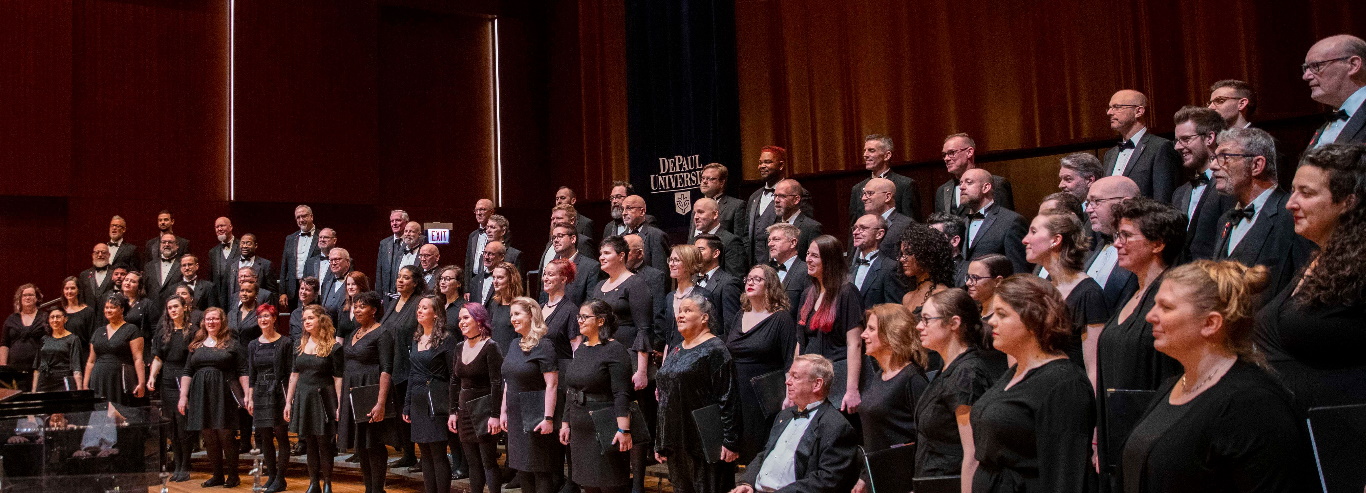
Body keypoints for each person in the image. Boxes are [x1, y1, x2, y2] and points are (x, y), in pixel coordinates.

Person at [1121, 261, 1317, 492]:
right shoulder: (1172, 386)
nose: (1150, 316)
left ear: (1211, 323)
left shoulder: (1252, 403)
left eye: (1166, 307)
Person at [1256, 143, 1366, 410]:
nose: (1290, 204)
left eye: (1305, 193)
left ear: (1347, 202)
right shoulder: (1318, 257)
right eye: (1293, 191)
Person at [972, 275, 1095, 492]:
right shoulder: (1014, 372)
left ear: (1033, 320)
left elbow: (1066, 476)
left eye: (1002, 314)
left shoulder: (1064, 384)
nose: (991, 321)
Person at [1096, 198, 1186, 482]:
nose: (1117, 244)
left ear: (1157, 244)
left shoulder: (1173, 295)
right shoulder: (1131, 291)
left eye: (1126, 236)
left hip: (1153, 434)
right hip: (1120, 433)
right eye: (1116, 236)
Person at [733, 354, 862, 493]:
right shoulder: (784, 415)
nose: (787, 382)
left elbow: (826, 480)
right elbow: (765, 454)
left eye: (795, 377)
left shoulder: (836, 426)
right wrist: (747, 483)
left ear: (817, 384)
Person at [914, 289, 1003, 485]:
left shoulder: (966, 375)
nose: (920, 326)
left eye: (927, 319)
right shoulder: (949, 367)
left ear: (954, 323)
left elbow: (973, 454)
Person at [1211, 127, 1313, 298]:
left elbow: (1304, 285)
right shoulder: (1225, 219)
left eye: (1225, 157)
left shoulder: (1292, 214)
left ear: (1256, 165)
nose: (1213, 166)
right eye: (1214, 158)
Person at [655, 295, 740, 493]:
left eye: (687, 311)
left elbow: (728, 398)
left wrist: (730, 441)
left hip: (706, 441)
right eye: (679, 311)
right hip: (678, 441)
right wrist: (661, 440)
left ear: (704, 318)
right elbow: (664, 400)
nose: (680, 316)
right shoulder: (676, 349)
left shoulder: (716, 349)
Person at [558, 300, 635, 493]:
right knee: (589, 485)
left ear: (601, 321)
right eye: (579, 317)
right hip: (580, 426)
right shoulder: (582, 348)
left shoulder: (615, 350)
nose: (580, 321)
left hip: (605, 425)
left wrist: (623, 429)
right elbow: (572, 388)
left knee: (610, 485)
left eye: (585, 317)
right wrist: (566, 422)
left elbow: (621, 393)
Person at [853, 304, 931, 493]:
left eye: (871, 329)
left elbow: (926, 436)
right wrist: (865, 476)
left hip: (904, 480)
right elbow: (874, 436)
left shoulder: (912, 378)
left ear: (891, 335)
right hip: (879, 478)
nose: (863, 335)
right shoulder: (878, 375)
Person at [724, 265, 796, 463]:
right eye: (748, 278)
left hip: (764, 395)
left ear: (770, 285)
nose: (750, 282)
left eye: (758, 279)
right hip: (737, 392)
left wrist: (789, 396)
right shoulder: (740, 315)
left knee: (760, 452)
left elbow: (790, 359)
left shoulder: (781, 318)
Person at [1021, 212, 1107, 367]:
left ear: (1056, 240)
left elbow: (1094, 366)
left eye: (1033, 232)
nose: (1025, 240)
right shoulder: (1041, 287)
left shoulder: (1089, 294)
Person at [178, 307, 249, 488]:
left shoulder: (232, 343)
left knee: (225, 434)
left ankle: (233, 475)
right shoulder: (196, 343)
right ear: (203, 322)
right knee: (208, 434)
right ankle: (217, 475)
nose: (211, 322)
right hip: (200, 392)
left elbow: (243, 371)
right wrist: (183, 396)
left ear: (222, 321)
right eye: (208, 319)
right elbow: (187, 371)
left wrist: (248, 394)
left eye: (215, 319)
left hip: (223, 392)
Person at [500, 297, 563, 493]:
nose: (513, 319)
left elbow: (552, 385)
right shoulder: (514, 344)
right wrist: (503, 412)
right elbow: (507, 382)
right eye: (511, 315)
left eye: (517, 314)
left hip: (535, 414)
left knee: (540, 470)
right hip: (516, 414)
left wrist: (548, 418)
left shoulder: (544, 345)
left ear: (532, 315)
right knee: (523, 470)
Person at [796, 235, 865, 413]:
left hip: (838, 379)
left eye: (815, 256)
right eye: (808, 254)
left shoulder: (847, 292)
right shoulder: (807, 294)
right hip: (812, 379)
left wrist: (852, 389)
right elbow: (800, 342)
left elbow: (854, 343)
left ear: (830, 260)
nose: (808, 260)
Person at [284, 304, 345, 493]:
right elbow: (294, 375)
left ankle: (327, 482)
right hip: (304, 395)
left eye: (310, 318)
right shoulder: (299, 344)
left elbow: (338, 378)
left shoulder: (334, 346)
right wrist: (288, 401)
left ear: (321, 320)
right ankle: (313, 482)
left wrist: (339, 404)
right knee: (309, 441)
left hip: (323, 397)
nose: (306, 322)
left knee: (324, 442)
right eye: (304, 319)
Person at [341, 292, 396, 493]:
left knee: (374, 443)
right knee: (361, 444)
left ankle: (377, 489)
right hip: (353, 391)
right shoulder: (353, 332)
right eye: (355, 306)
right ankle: (368, 489)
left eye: (362, 306)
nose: (357, 310)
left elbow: (386, 369)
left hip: (372, 391)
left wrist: (380, 403)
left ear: (373, 310)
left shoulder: (383, 333)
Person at [404, 295, 457, 493]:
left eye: (425, 308)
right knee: (424, 454)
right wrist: (407, 404)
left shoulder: (447, 339)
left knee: (437, 453)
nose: (419, 311)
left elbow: (453, 376)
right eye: (419, 307)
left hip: (436, 399)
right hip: (418, 400)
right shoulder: (416, 337)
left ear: (436, 314)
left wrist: (453, 408)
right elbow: (412, 372)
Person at [449, 303, 505, 493]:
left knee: (488, 462)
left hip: (484, 411)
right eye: (460, 319)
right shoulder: (458, 347)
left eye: (466, 318)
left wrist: (495, 415)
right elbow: (455, 382)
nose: (461, 323)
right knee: (472, 463)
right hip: (464, 411)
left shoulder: (491, 347)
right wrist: (452, 411)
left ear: (479, 320)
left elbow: (497, 383)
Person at [1170, 106, 1235, 262]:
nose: (1177, 147)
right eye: (1177, 140)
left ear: (1209, 138)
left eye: (1185, 139)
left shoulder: (1230, 187)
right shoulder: (1179, 193)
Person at [1103, 89, 1182, 202]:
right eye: (1110, 107)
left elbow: (1163, 199)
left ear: (1139, 111)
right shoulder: (1110, 154)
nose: (1109, 112)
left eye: (1117, 107)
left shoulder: (1160, 147)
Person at [247, 304, 293, 493]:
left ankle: (281, 478)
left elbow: (291, 372)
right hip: (260, 391)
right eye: (260, 317)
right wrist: (249, 398)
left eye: (267, 316)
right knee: (264, 436)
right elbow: (251, 374)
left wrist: (289, 399)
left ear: (275, 319)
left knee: (281, 435)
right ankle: (272, 476)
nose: (263, 320)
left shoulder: (285, 343)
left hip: (279, 390)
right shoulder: (252, 344)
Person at [148, 296, 194, 482]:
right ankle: (176, 462)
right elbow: (158, 357)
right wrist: (152, 377)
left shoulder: (193, 331)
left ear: (184, 308)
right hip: (167, 378)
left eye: (176, 306)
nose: (173, 310)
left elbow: (191, 361)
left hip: (184, 377)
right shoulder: (163, 332)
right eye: (169, 308)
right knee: (171, 425)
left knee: (183, 425)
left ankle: (185, 465)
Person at [385, 265, 425, 470]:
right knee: (400, 411)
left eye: (406, 278)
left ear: (416, 282)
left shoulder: (419, 302)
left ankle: (423, 457)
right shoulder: (393, 303)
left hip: (411, 365)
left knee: (414, 413)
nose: (400, 280)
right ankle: (408, 454)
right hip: (393, 364)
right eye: (399, 276)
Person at [1085, 176, 1143, 312]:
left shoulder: (1143, 252)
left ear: (1126, 204)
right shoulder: (1097, 246)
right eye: (1088, 203)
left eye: (1096, 201)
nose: (1088, 209)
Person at [959, 168, 1029, 273]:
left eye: (969, 183)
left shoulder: (1011, 221)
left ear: (985, 187)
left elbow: (1019, 270)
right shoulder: (962, 223)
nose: (962, 187)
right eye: (961, 183)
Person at [1302, 34, 1366, 148]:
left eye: (1316, 66)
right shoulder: (1331, 119)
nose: (1306, 76)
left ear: (1353, 65)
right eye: (1306, 68)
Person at [83, 293, 147, 405]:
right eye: (106, 307)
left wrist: (141, 382)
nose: (108, 310)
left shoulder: (131, 329)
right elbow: (91, 361)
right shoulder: (98, 331)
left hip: (119, 379)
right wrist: (84, 385)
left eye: (112, 307)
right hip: (98, 378)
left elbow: (138, 358)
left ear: (122, 309)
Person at [658, 245, 721, 350]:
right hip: (673, 357)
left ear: (688, 263)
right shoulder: (669, 297)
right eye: (670, 260)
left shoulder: (703, 295)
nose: (671, 264)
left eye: (676, 260)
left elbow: (711, 333)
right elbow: (668, 339)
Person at [935, 133, 1016, 215]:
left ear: (969, 152)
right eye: (944, 155)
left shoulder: (996, 183)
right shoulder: (942, 190)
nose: (946, 158)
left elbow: (1005, 221)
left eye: (951, 153)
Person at [850, 134, 920, 222]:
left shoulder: (905, 185)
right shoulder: (857, 188)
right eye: (865, 151)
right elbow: (853, 227)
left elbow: (911, 224)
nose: (865, 155)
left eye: (871, 150)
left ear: (887, 155)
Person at [849, 214, 907, 309]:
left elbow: (894, 311)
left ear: (879, 234)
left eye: (862, 228)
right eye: (854, 228)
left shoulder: (890, 268)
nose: (855, 232)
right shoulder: (851, 268)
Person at [897, 223, 955, 313]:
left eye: (908, 253)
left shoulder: (941, 294)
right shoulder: (907, 297)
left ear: (927, 254)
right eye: (902, 254)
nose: (902, 259)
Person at [747, 146, 788, 265]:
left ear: (781, 165)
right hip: (755, 266)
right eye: (760, 163)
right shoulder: (754, 197)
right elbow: (746, 234)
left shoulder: (796, 193)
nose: (762, 166)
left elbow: (801, 229)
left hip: (780, 264)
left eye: (768, 162)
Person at [858, 178, 914, 260]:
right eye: (863, 194)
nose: (863, 198)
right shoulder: (861, 224)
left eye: (869, 193)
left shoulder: (906, 225)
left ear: (887, 196)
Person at [32, 307, 84, 392]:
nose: (55, 320)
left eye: (58, 317)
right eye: (52, 317)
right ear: (48, 320)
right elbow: (37, 368)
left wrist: (79, 391)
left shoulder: (73, 339)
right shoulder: (44, 339)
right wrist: (33, 391)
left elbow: (77, 368)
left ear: (65, 319)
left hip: (63, 383)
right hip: (44, 382)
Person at [540, 259, 577, 359]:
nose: (545, 279)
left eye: (550, 275)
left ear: (563, 279)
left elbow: (576, 348)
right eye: (544, 274)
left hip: (561, 370)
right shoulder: (539, 308)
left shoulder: (571, 310)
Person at [484, 261, 524, 353]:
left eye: (500, 278)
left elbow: (522, 338)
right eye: (494, 277)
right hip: (495, 357)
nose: (495, 281)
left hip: (511, 357)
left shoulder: (520, 305)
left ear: (511, 279)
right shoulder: (494, 303)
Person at [697, 163, 748, 235]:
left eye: (710, 179)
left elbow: (740, 238)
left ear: (722, 183)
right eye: (703, 178)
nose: (704, 181)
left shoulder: (736, 206)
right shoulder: (697, 206)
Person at [3, 284, 46, 368]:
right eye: (24, 295)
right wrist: (3, 365)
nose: (27, 298)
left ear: (37, 298)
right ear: (20, 298)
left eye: (31, 295)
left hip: (39, 368)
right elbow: (4, 343)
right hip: (14, 367)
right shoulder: (11, 319)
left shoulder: (44, 317)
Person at [965, 254, 1011, 320]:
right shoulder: (970, 313)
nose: (968, 283)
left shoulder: (1003, 319)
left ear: (998, 281)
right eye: (968, 277)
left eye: (975, 278)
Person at [59, 276, 98, 351]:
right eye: (66, 288)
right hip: (63, 355)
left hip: (82, 353)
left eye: (73, 288)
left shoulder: (88, 312)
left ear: (79, 290)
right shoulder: (60, 312)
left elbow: (93, 338)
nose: (69, 291)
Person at [380, 209, 411, 296]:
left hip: (407, 294)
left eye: (398, 220)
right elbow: (380, 271)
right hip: (387, 296)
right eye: (392, 221)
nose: (394, 223)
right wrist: (379, 295)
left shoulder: (414, 242)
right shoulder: (384, 243)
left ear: (406, 222)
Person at [291, 276, 323, 341]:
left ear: (315, 294)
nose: (303, 292)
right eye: (302, 288)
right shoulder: (295, 313)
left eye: (307, 290)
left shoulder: (321, 313)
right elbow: (291, 336)